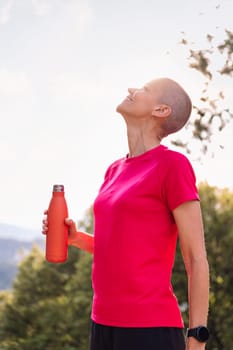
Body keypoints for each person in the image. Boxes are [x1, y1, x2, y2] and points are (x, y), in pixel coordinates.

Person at [42, 77, 209, 350]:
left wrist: (197, 339)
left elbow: (195, 259)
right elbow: (123, 248)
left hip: (149, 330)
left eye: (144, 89)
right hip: (102, 323)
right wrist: (76, 238)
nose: (132, 90)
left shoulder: (173, 166)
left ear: (161, 110)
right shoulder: (114, 170)